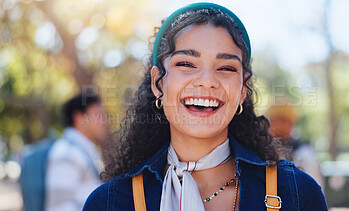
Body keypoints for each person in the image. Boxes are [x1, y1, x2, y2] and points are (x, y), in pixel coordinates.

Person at [83, 3, 327, 211]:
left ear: (243, 90)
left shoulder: (296, 194)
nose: (207, 81)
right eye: (187, 64)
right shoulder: (109, 203)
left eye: (226, 68)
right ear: (158, 83)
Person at [45, 93, 108, 211]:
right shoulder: (66, 152)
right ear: (79, 117)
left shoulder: (84, 150)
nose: (104, 120)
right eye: (97, 114)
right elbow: (59, 207)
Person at [265, 103, 324, 190]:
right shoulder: (264, 149)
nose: (272, 125)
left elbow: (312, 188)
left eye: (276, 120)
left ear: (288, 122)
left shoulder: (304, 152)